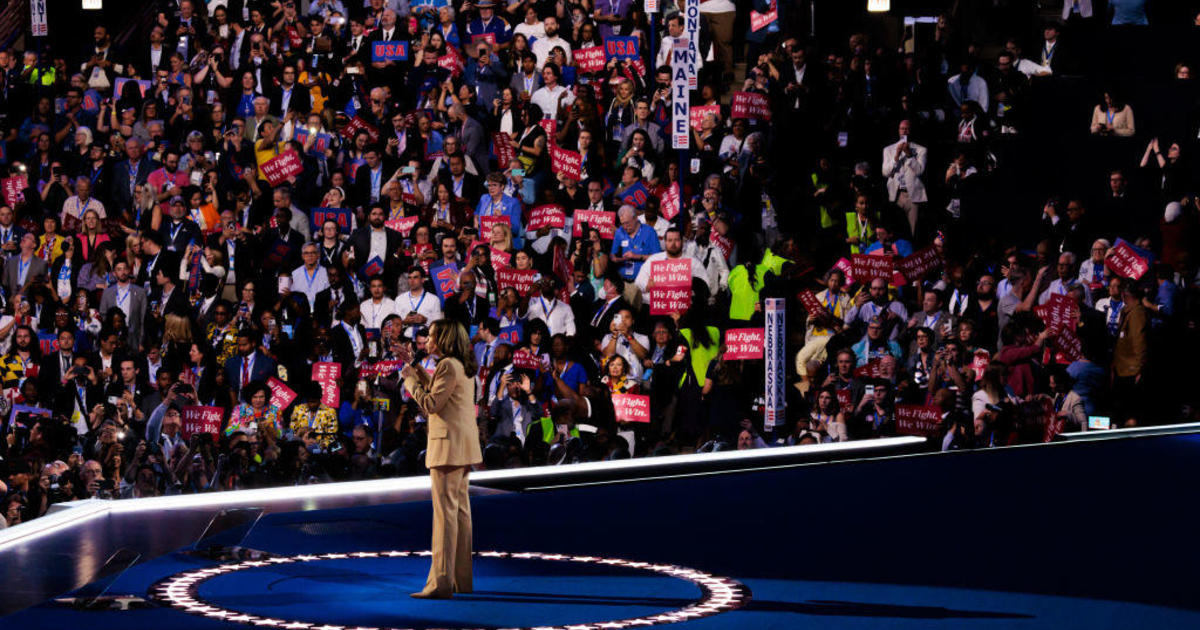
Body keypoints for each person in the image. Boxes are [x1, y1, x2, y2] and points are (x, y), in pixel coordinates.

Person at [402, 320, 482, 599]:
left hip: (447, 447)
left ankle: (440, 583)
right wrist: (417, 369)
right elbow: (442, 392)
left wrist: (409, 380)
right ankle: (461, 579)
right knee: (459, 513)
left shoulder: (448, 365)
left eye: (432, 335)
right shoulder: (460, 364)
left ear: (443, 338)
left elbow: (432, 404)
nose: (428, 338)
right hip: (461, 446)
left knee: (444, 517)